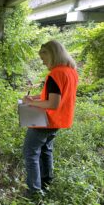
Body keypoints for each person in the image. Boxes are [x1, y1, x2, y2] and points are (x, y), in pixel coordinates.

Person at [22, 40, 78, 196]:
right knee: (46, 150)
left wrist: (33, 102)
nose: (43, 62)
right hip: (59, 120)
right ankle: (46, 183)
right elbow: (57, 96)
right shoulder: (70, 71)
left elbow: (53, 104)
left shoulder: (55, 74)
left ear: (52, 54)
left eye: (44, 58)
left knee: (31, 153)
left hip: (46, 121)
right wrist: (37, 97)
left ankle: (34, 192)